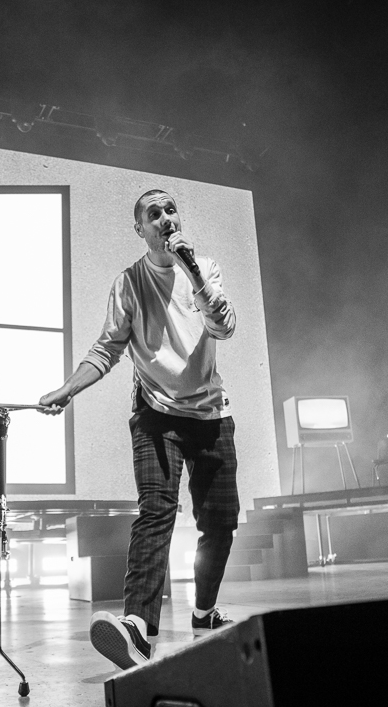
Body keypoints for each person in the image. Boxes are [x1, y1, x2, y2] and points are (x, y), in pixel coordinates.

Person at [39, 189, 239, 669]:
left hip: (210, 413)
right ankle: (137, 629)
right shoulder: (129, 282)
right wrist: (68, 389)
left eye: (171, 210)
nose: (166, 218)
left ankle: (204, 611)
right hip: (156, 413)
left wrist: (193, 273)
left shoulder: (204, 269)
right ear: (140, 229)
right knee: (156, 512)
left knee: (220, 522)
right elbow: (107, 348)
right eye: (154, 214)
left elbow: (224, 327)